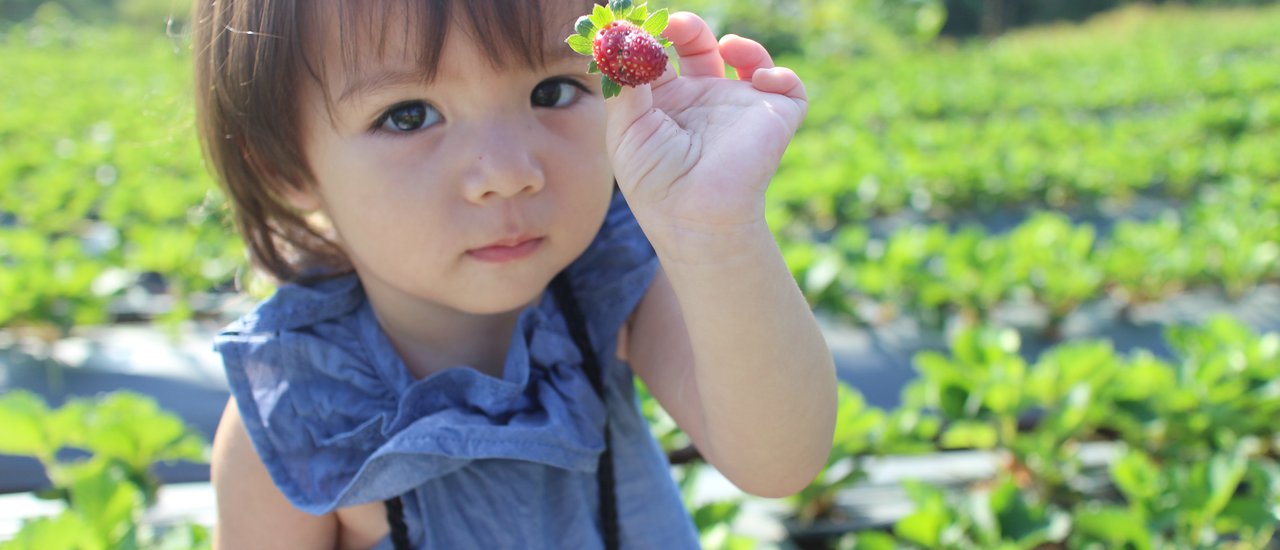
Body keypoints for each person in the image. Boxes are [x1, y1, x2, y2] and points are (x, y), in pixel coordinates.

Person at [193, 0, 837, 548]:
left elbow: (778, 459)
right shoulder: (294, 421)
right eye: (408, 115)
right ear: (285, 163)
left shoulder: (607, 282)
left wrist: (715, 233)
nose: (507, 173)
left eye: (551, 92)